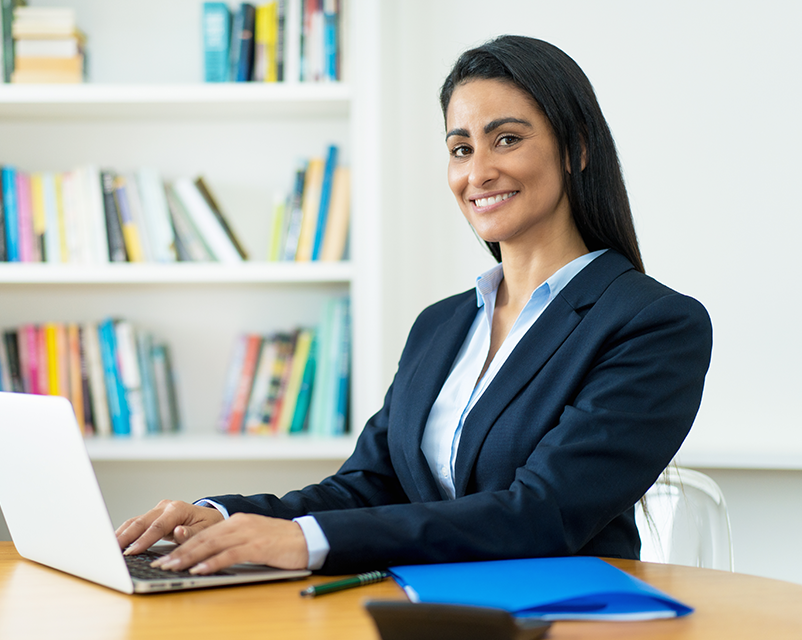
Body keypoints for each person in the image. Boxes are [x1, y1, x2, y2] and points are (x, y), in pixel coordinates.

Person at [115, 35, 712, 576]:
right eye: (460, 148)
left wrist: (305, 542)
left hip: (559, 617)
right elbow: (368, 487)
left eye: (507, 139)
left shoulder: (653, 325)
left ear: (575, 148)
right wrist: (223, 515)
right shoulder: (443, 325)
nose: (478, 171)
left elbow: (541, 513)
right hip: (422, 606)